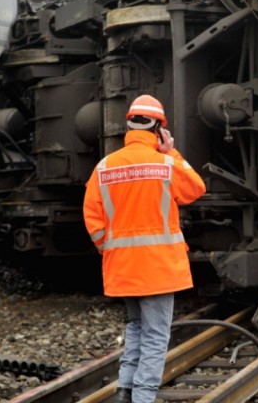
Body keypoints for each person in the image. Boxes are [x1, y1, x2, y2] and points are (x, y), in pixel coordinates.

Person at [82, 94, 206, 403]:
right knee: (155, 335)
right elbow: (196, 188)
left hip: (123, 266)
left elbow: (92, 218)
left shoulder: (104, 168)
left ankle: (124, 390)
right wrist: (173, 151)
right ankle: (143, 398)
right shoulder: (166, 164)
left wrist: (108, 249)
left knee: (136, 327)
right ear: (158, 129)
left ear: (128, 125)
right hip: (160, 268)